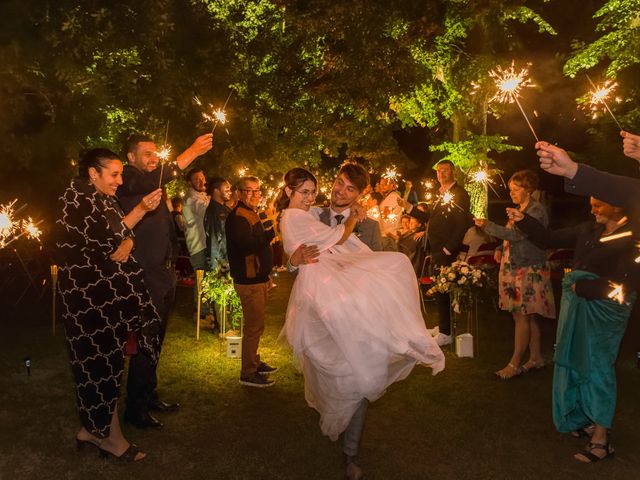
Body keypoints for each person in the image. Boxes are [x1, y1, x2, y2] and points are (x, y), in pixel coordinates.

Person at [278, 168, 445, 480]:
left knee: (359, 376)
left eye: (350, 189)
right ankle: (334, 416)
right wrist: (292, 262)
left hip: (357, 315)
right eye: (339, 182)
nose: (340, 191)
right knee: (328, 372)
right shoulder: (310, 212)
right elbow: (293, 256)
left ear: (360, 195)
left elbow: (375, 268)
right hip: (321, 313)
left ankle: (350, 453)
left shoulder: (368, 226)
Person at [509, 197, 638, 462]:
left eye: (599, 204)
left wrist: (589, 288)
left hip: (606, 311)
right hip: (579, 303)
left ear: (617, 204)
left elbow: (629, 286)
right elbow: (548, 238)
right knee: (575, 359)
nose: (592, 209)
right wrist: (525, 221)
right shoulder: (587, 229)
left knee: (598, 366)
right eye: (591, 203)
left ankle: (601, 439)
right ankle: (583, 417)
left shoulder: (633, 236)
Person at [56, 148, 163, 462]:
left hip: (106, 300)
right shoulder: (76, 200)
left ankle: (91, 431)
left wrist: (129, 239)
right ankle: (110, 439)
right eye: (114, 174)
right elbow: (105, 241)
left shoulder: (100, 198)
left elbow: (118, 234)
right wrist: (140, 212)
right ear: (93, 173)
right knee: (99, 367)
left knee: (106, 365)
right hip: (89, 302)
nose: (119, 180)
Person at [117, 133, 213, 428]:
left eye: (155, 153)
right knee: (146, 340)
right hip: (145, 274)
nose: (154, 158)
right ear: (130, 158)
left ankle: (149, 395)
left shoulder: (151, 185)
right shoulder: (129, 181)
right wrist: (192, 152)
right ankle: (136, 409)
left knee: (156, 339)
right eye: (147, 153)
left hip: (164, 272)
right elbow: (157, 177)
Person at [474, 170, 556, 379]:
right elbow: (509, 238)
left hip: (528, 269)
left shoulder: (536, 210)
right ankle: (536, 358)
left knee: (522, 317)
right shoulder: (520, 209)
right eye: (510, 189)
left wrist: (488, 225)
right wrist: (500, 249)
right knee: (527, 317)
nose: (511, 193)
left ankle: (514, 364)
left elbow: (516, 235)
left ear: (528, 189)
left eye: (515, 189)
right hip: (514, 267)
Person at [399, 160, 471, 346]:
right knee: (440, 289)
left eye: (445, 170)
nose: (441, 174)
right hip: (436, 247)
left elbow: (462, 223)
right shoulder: (441, 194)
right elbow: (430, 217)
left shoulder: (459, 194)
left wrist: (449, 248)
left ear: (453, 172)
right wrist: (409, 208)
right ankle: (443, 326)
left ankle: (446, 333)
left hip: (446, 250)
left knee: (443, 288)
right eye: (439, 171)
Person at [225, 176, 278, 387]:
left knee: (257, 325)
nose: (254, 195)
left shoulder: (251, 213)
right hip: (249, 281)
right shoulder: (238, 216)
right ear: (238, 193)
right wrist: (270, 234)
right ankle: (247, 372)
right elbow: (247, 245)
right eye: (249, 191)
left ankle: (253, 362)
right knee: (253, 327)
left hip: (258, 278)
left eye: (257, 191)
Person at [182, 167, 211, 319]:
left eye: (202, 177)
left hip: (205, 244)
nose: (200, 181)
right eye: (196, 179)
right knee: (201, 279)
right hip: (199, 246)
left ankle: (206, 311)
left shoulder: (202, 196)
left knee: (206, 278)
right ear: (189, 183)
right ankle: (202, 314)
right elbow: (208, 213)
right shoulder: (191, 199)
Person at [377, 176, 403, 250]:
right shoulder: (387, 197)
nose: (382, 187)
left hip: (389, 236)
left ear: (392, 185)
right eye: (381, 185)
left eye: (385, 184)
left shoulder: (393, 197)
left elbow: (385, 217)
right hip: (386, 235)